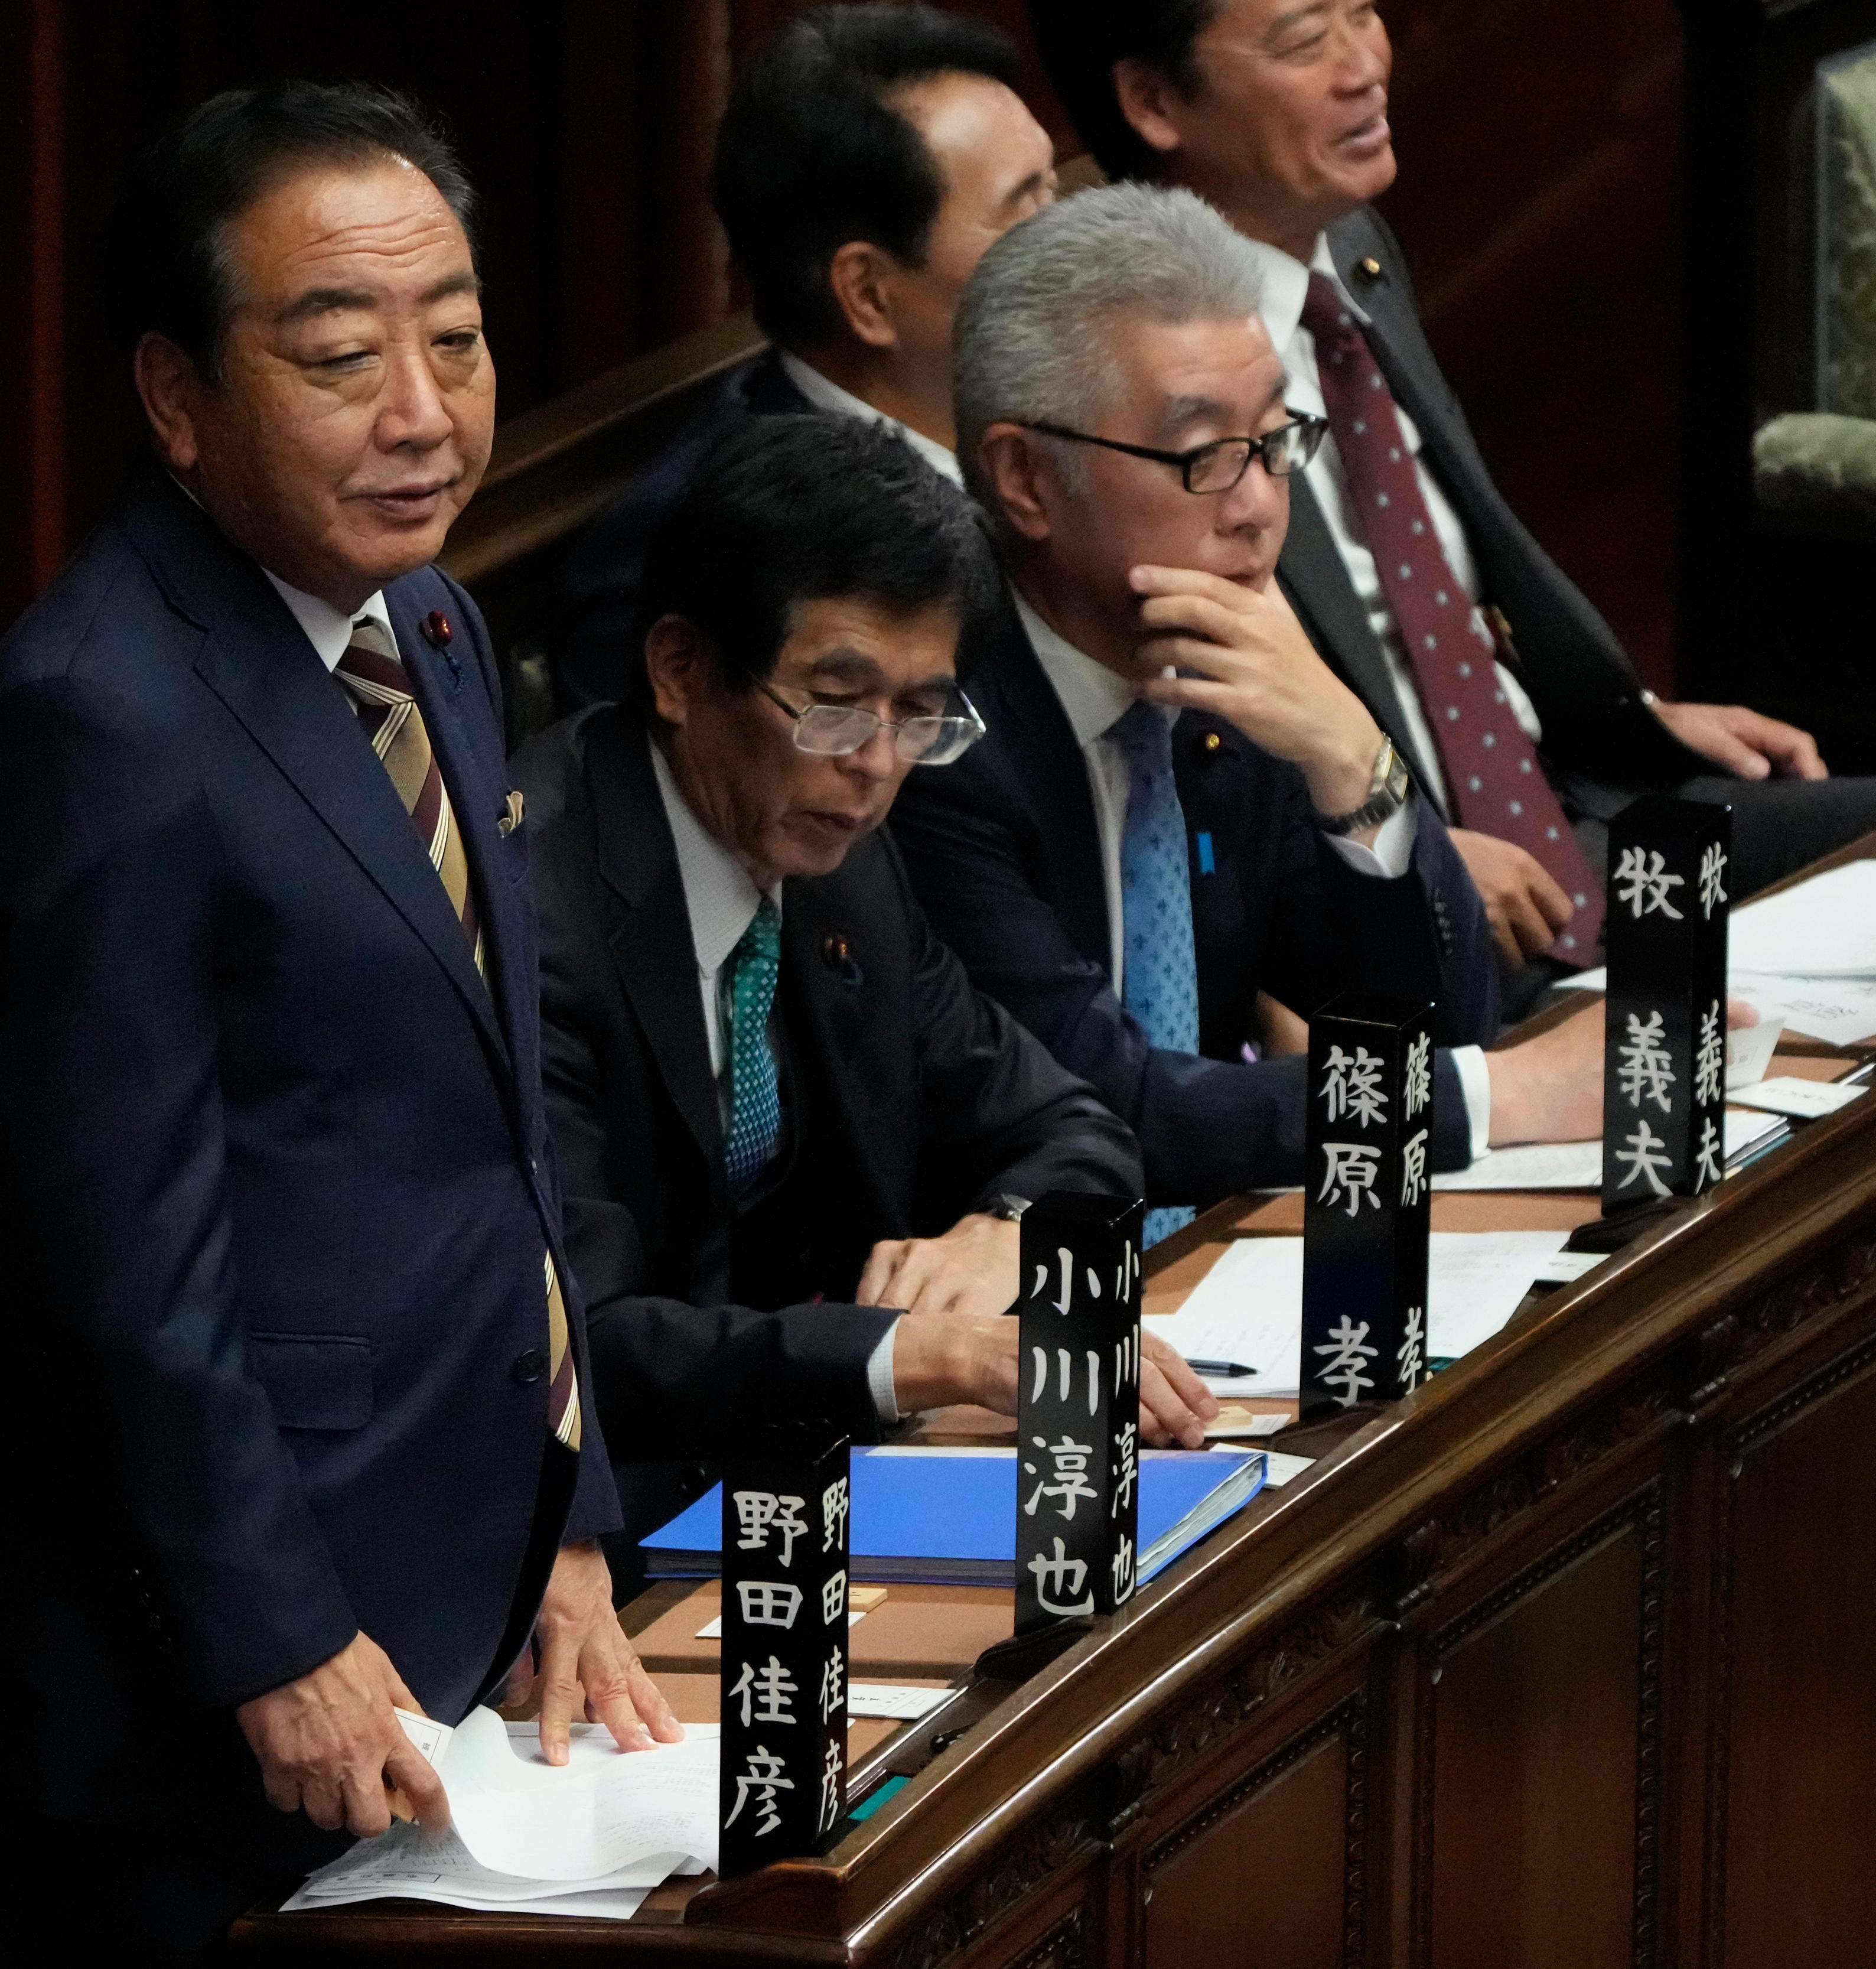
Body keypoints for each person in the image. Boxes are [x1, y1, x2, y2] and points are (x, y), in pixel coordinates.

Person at [0, 82, 674, 1960]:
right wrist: (278, 1639)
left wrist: (566, 1509)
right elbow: (118, 1267)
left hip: (453, 1576)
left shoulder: (435, 628)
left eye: (457, 341)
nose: (422, 410)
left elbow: (503, 1137)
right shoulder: (101, 718)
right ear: (176, 399)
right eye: (340, 356)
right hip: (191, 1686)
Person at [1030, 0, 1876, 995]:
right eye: (1307, 41)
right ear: (1152, 99)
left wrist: (1633, 711)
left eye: (1363, 13)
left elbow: (1432, 569)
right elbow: (1187, 749)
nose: (1365, 66)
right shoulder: (1128, 382)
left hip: (1567, 802)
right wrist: (1405, 843)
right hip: (1409, 886)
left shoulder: (1348, 246)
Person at [522, 412, 1218, 1559]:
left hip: (820, 1486)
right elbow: (585, 1342)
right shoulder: (533, 906)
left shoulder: (844, 864)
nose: (878, 763)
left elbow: (1074, 1125)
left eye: (919, 713)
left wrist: (1004, 1236)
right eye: (836, 702)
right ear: (681, 668)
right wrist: (917, 1353)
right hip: (607, 1537)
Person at [887, 183, 1607, 1223]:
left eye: (1276, 439)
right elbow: (1106, 1106)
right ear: (1025, 479)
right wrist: (1497, 1098)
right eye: (1204, 456)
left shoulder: (1239, 667)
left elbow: (1437, 1018)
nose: (1261, 505)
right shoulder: (936, 729)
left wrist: (1358, 759)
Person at [553, 2, 1058, 711]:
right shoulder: (687, 551)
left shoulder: (1075, 424)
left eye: (1053, 187)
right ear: (868, 294)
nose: (1071, 244)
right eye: (1020, 212)